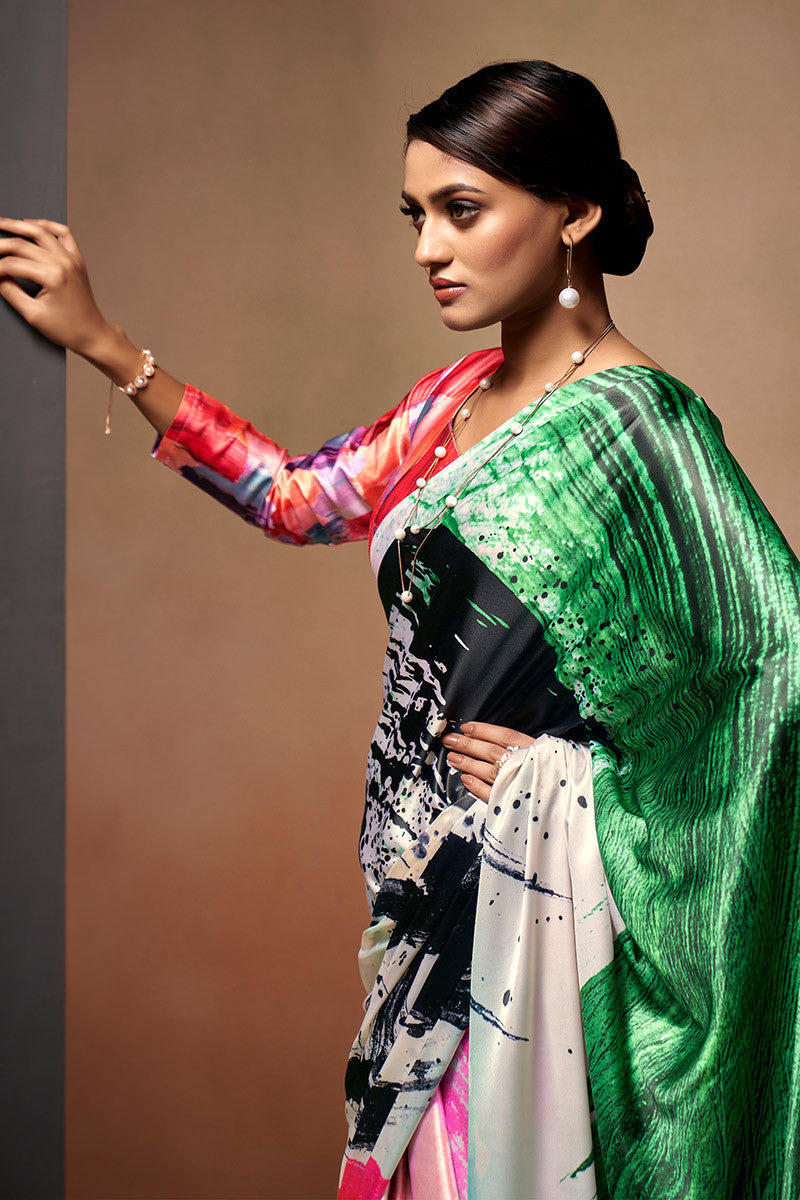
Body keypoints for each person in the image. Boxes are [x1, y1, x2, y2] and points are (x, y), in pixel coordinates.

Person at [1, 58, 798, 1200]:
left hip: (531, 922)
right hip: (413, 914)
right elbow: (294, 496)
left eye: (461, 211)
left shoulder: (639, 427)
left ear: (574, 212)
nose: (428, 247)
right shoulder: (451, 400)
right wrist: (104, 342)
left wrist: (570, 787)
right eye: (416, 215)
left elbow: (774, 680)